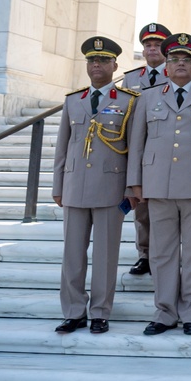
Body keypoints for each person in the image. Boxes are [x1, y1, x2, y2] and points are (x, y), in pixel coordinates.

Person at [127, 33, 191, 336]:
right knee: (162, 253)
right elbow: (136, 144)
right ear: (165, 65)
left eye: (186, 60)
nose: (180, 64)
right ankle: (165, 311)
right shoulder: (148, 97)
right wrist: (134, 184)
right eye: (174, 59)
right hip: (158, 186)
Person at [53, 36, 137, 335]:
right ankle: (74, 312)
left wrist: (131, 187)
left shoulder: (129, 101)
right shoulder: (72, 100)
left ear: (115, 65)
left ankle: (100, 312)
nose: (96, 65)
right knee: (72, 256)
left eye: (103, 60)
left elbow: (134, 148)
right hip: (75, 186)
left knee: (104, 255)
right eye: (91, 60)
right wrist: (58, 184)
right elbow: (62, 147)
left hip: (110, 187)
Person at [121, 22, 172, 276]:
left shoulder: (175, 73)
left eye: (157, 45)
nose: (152, 49)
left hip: (165, 150)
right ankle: (145, 254)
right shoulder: (131, 78)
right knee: (141, 207)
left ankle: (166, 252)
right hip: (139, 150)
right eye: (148, 45)